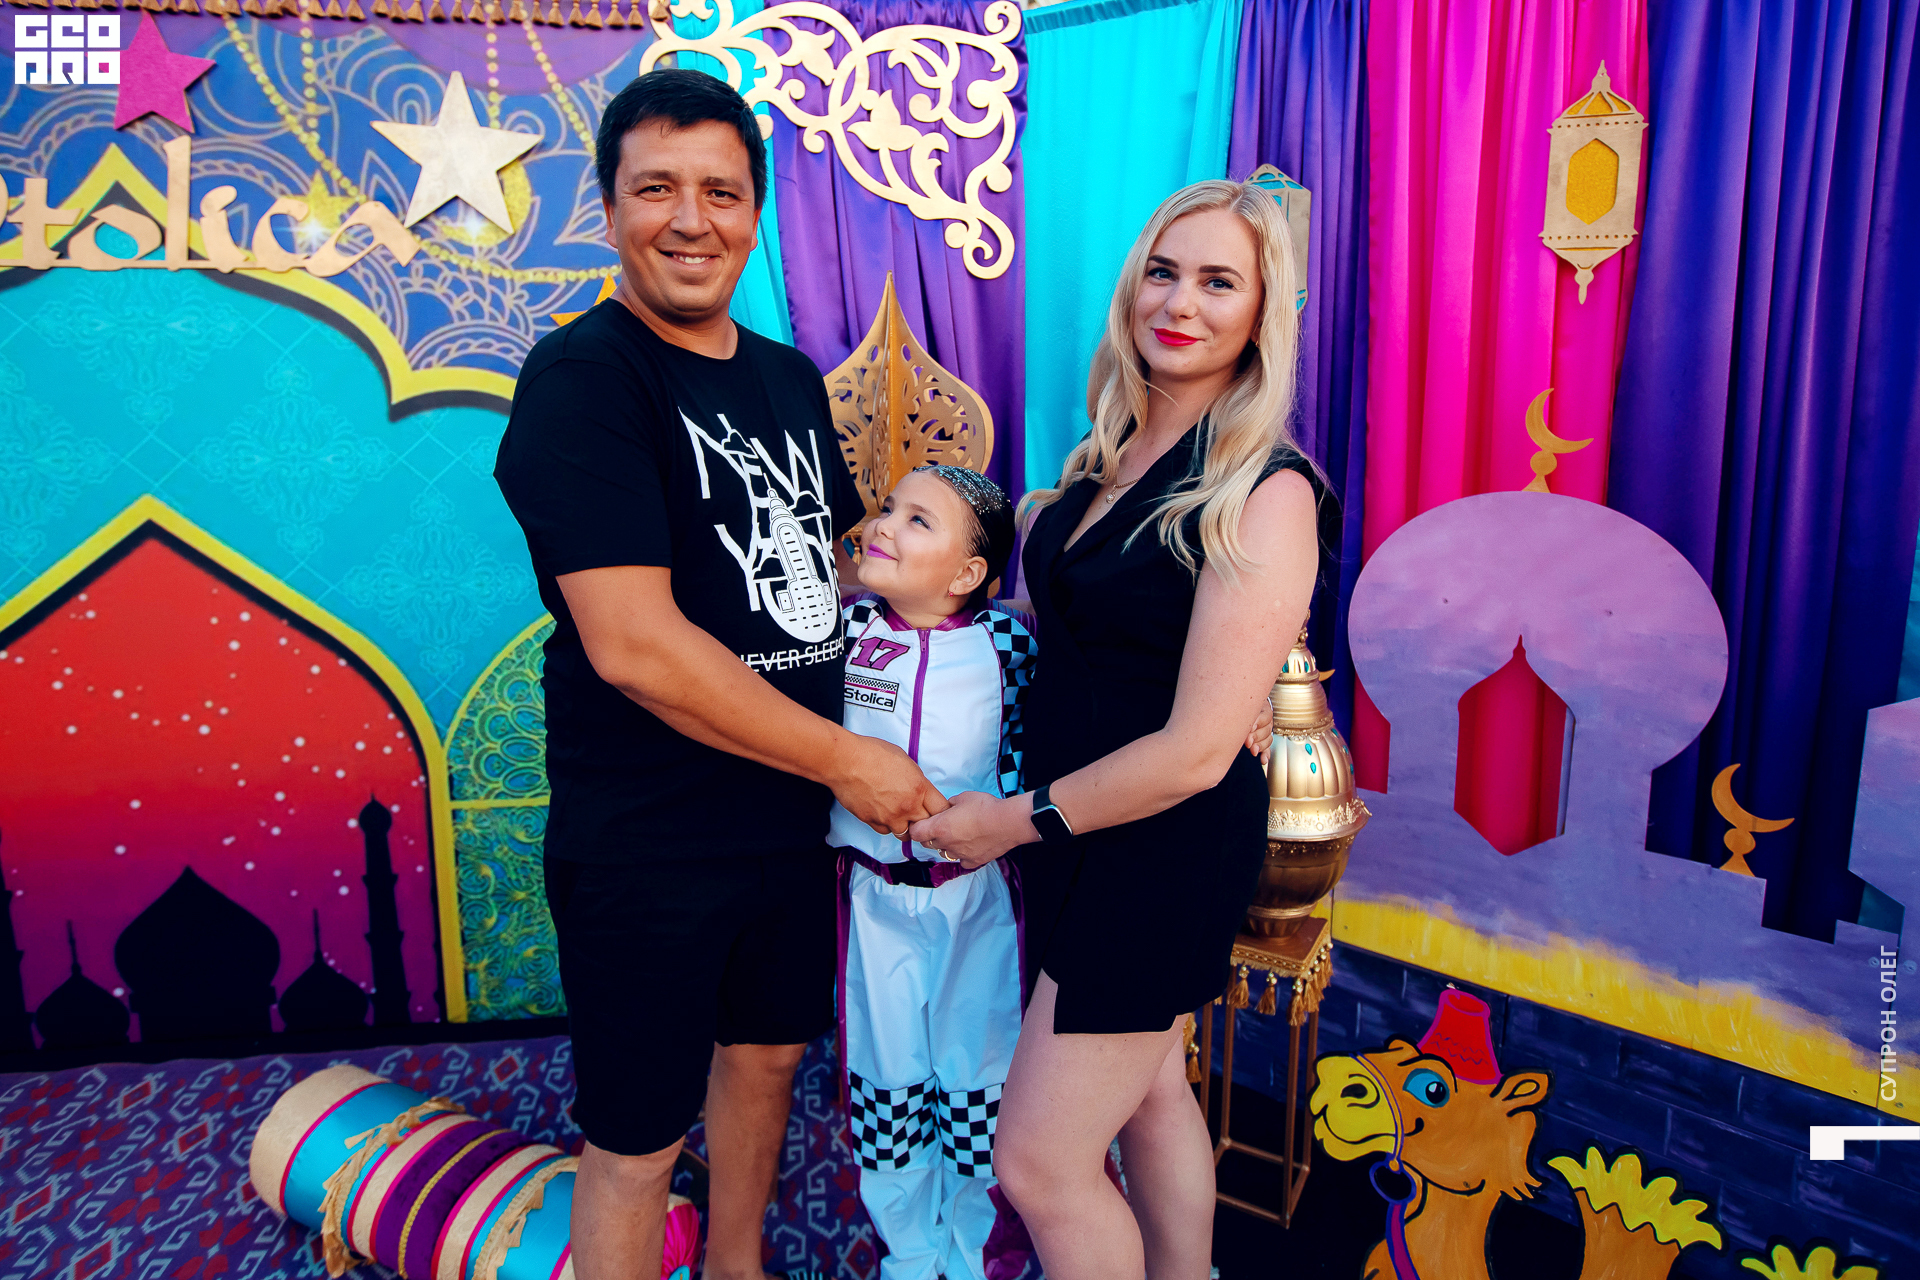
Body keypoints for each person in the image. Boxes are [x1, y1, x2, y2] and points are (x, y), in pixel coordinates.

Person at [494, 70, 949, 1280]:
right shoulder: (587, 379)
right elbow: (634, 644)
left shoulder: (788, 377)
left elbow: (830, 563)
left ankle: (735, 1262)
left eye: (721, 192)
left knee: (766, 1059)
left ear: (754, 215)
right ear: (608, 211)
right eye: (657, 189)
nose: (691, 220)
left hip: (788, 821)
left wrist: (979, 588)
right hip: (650, 833)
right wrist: (851, 759)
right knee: (637, 1135)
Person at [909, 179, 1331, 1280]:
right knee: (1151, 1095)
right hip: (1076, 832)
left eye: (1218, 282)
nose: (1180, 302)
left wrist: (1013, 821)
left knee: (1041, 1161)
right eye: (1163, 272)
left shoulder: (1267, 489)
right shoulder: (1107, 460)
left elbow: (1195, 750)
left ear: (1261, 314)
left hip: (1158, 851)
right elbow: (1084, 637)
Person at [829, 464, 1031, 1280]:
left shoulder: (1010, 647)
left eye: (919, 520)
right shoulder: (842, 635)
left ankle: (976, 1257)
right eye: (889, 508)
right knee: (886, 1085)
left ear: (968, 572)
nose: (884, 525)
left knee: (980, 1085)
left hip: (976, 905)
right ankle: (910, 1258)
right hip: (872, 903)